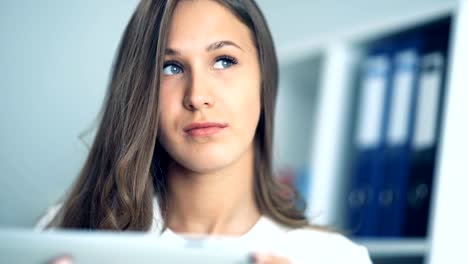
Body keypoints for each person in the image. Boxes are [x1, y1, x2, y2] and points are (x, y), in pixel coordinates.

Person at [37, 0, 372, 263]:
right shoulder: (66, 232)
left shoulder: (335, 258)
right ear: (141, 92)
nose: (197, 96)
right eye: (171, 67)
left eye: (224, 61)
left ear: (264, 78)